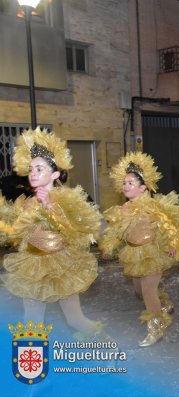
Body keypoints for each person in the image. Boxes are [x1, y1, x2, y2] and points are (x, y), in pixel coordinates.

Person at [0, 128, 103, 338]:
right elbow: (15, 234)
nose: (33, 174)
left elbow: (78, 233)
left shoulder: (68, 199)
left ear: (55, 173)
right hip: (32, 265)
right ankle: (33, 367)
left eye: (40, 168)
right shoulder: (27, 202)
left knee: (75, 319)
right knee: (32, 322)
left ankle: (106, 345)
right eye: (31, 169)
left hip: (62, 266)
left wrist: (51, 208)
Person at [100, 152, 179, 347]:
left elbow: (169, 225)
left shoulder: (152, 206)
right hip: (133, 254)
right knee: (139, 290)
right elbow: (117, 231)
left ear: (143, 188)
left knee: (148, 291)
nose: (126, 186)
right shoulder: (123, 209)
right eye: (124, 183)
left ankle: (156, 328)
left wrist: (173, 243)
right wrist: (109, 245)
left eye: (131, 183)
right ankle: (165, 302)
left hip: (152, 252)